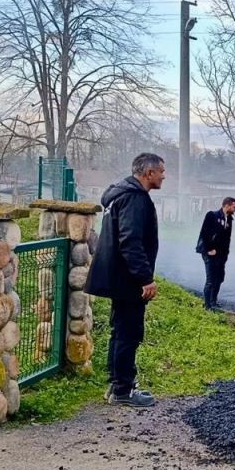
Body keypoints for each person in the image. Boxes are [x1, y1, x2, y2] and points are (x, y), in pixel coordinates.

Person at [87, 152, 163, 408]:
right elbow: (130, 241)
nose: (163, 176)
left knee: (120, 331)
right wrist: (145, 278)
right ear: (149, 173)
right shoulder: (135, 198)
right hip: (128, 279)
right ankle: (123, 390)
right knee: (129, 333)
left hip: (118, 276)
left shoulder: (120, 195)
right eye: (161, 171)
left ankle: (117, 385)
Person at [196, 196, 235, 310]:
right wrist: (209, 249)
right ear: (227, 205)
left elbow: (227, 238)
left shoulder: (229, 219)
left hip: (221, 254)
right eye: (234, 207)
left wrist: (226, 253)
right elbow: (204, 233)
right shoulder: (212, 215)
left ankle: (213, 302)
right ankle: (207, 305)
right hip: (209, 252)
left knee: (219, 278)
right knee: (211, 279)